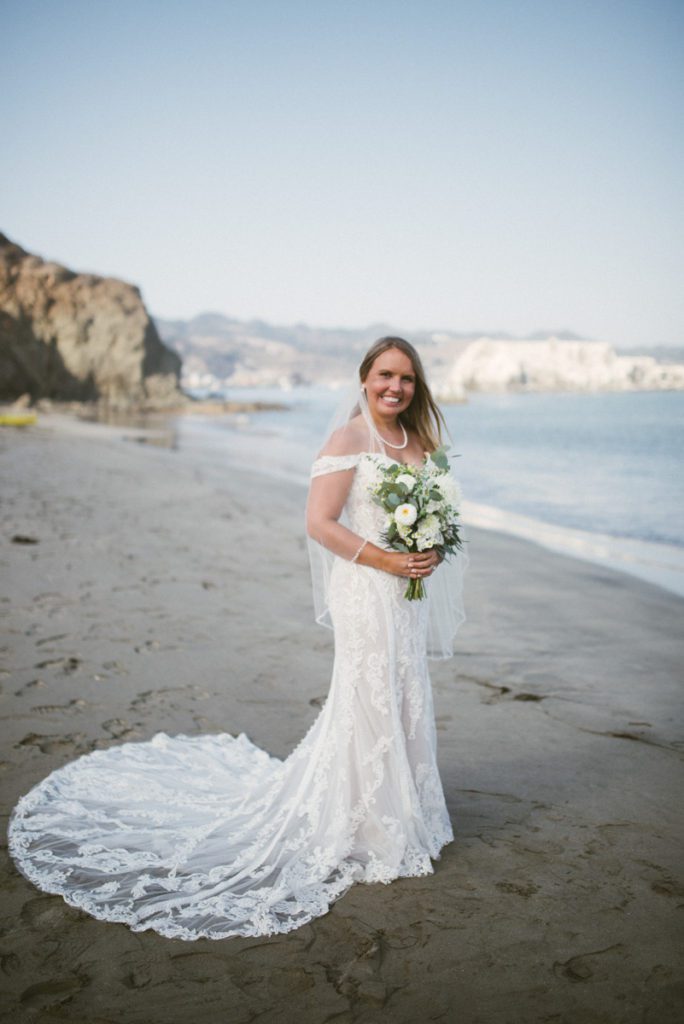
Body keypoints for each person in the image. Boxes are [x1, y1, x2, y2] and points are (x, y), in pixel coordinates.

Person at [7, 337, 467, 941]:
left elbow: (436, 512)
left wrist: (428, 547)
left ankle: (405, 812)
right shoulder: (347, 439)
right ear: (363, 379)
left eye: (406, 379)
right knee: (368, 691)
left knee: (404, 686)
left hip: (404, 592)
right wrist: (384, 558)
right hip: (364, 588)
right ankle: (369, 825)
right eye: (385, 375)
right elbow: (318, 523)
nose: (395, 388)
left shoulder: (422, 444)